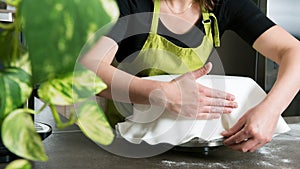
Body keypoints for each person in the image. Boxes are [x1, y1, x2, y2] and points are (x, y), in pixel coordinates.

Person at [80, 0, 300, 152]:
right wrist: (159, 93)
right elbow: (87, 70)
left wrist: (272, 109)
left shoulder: (222, 3)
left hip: (197, 145)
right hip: (128, 140)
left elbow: (294, 51)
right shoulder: (130, 4)